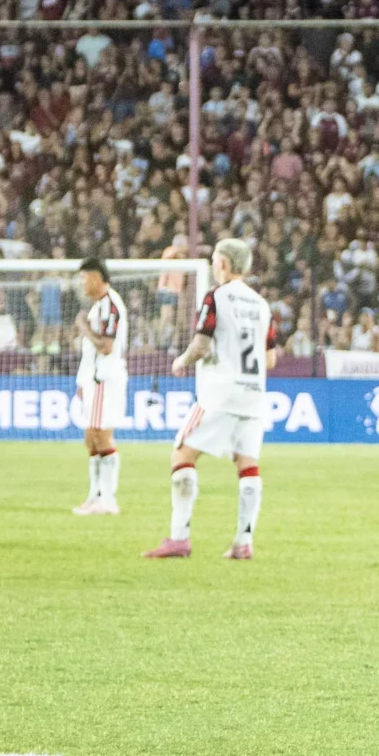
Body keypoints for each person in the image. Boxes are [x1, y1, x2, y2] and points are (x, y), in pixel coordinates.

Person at [146, 237, 274, 561]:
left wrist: (181, 361)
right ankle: (243, 542)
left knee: (181, 456)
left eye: (216, 261)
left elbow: (201, 346)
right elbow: (270, 360)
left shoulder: (216, 296)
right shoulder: (262, 304)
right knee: (247, 466)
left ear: (225, 265)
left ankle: (179, 538)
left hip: (220, 393)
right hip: (254, 395)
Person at [72, 258, 129, 516]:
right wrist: (82, 383)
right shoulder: (98, 306)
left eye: (84, 277)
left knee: (101, 435)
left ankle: (108, 499)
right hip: (93, 380)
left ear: (96, 277)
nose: (82, 283)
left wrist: (83, 328)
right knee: (91, 438)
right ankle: (95, 496)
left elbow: (106, 346)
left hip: (105, 379)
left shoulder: (110, 305)